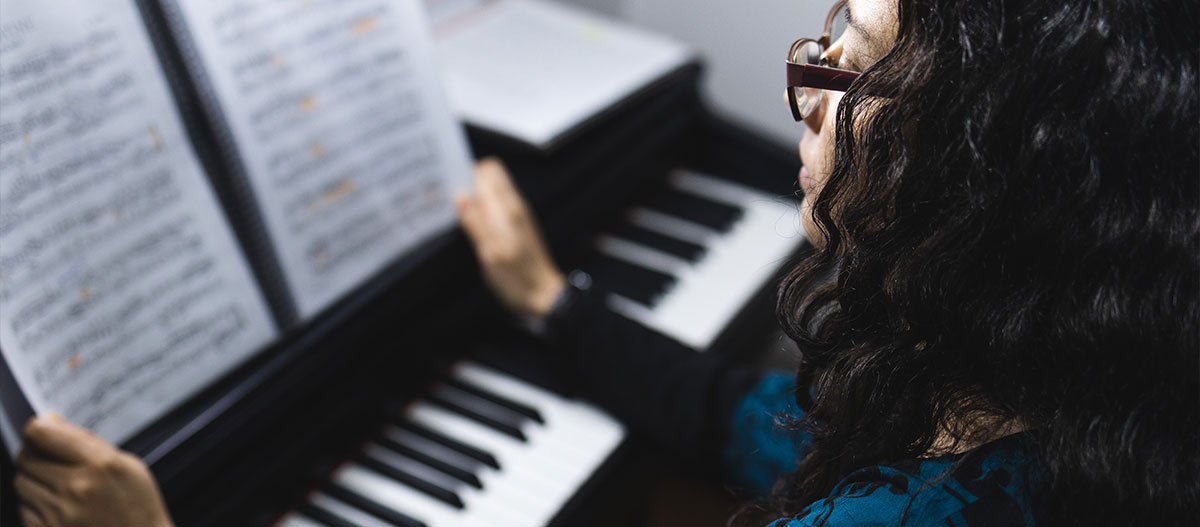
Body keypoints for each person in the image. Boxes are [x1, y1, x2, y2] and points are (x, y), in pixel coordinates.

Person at [12, 0, 1197, 525]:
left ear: (999, 156)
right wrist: (557, 306)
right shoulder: (1057, 379)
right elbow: (771, 426)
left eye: (860, 62)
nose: (807, 88)